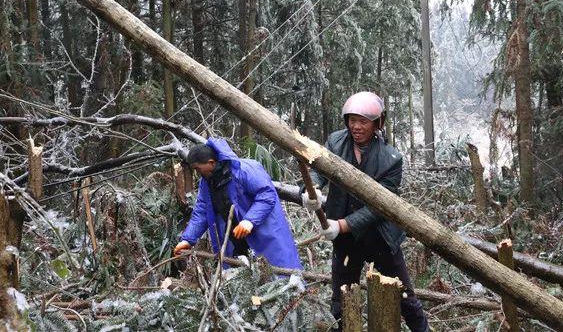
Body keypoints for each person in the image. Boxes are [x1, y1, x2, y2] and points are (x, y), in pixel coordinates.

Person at [302, 91, 429, 331]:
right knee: (341, 299)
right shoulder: (336, 142)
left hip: (380, 237)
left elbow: (379, 208)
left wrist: (340, 225)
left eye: (363, 121)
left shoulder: (391, 159)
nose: (356, 126)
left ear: (377, 123)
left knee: (405, 298)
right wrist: (313, 189)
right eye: (352, 120)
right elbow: (318, 166)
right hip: (346, 242)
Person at [174, 137, 302, 271]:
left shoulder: (245, 169)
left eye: (198, 169)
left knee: (279, 273)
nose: (198, 173)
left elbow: (266, 195)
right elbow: (201, 213)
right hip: (235, 240)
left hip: (266, 232)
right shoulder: (206, 183)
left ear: (211, 162)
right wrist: (187, 240)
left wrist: (249, 221)